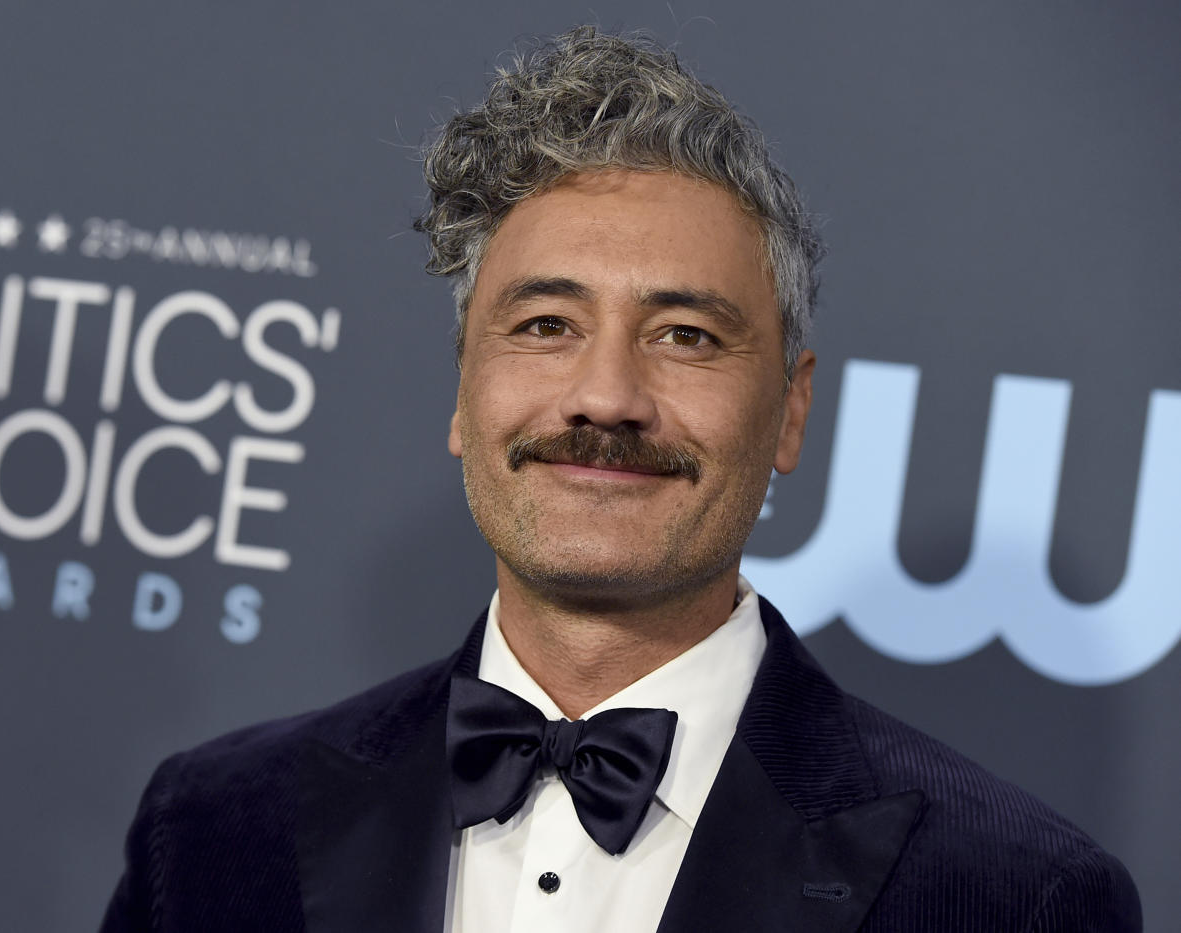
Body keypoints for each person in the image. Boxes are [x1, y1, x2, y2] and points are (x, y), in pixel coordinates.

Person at [100, 26, 1141, 933]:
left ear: (789, 411)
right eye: (546, 326)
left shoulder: (1014, 896)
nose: (606, 397)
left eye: (686, 336)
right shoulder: (210, 832)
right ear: (464, 394)